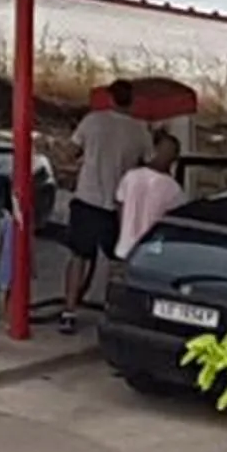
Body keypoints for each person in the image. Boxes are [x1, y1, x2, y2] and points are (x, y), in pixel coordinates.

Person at [59, 78, 155, 333]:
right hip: (119, 205)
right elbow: (152, 164)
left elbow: (69, 152)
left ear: (110, 98)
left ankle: (69, 311)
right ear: (131, 101)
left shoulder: (93, 121)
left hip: (87, 198)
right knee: (117, 261)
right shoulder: (140, 130)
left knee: (78, 256)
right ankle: (114, 311)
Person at [114, 130, 185, 263]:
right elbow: (174, 225)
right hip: (151, 254)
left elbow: (120, 207)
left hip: (124, 249)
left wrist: (124, 231)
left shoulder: (131, 176)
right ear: (174, 159)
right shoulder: (174, 189)